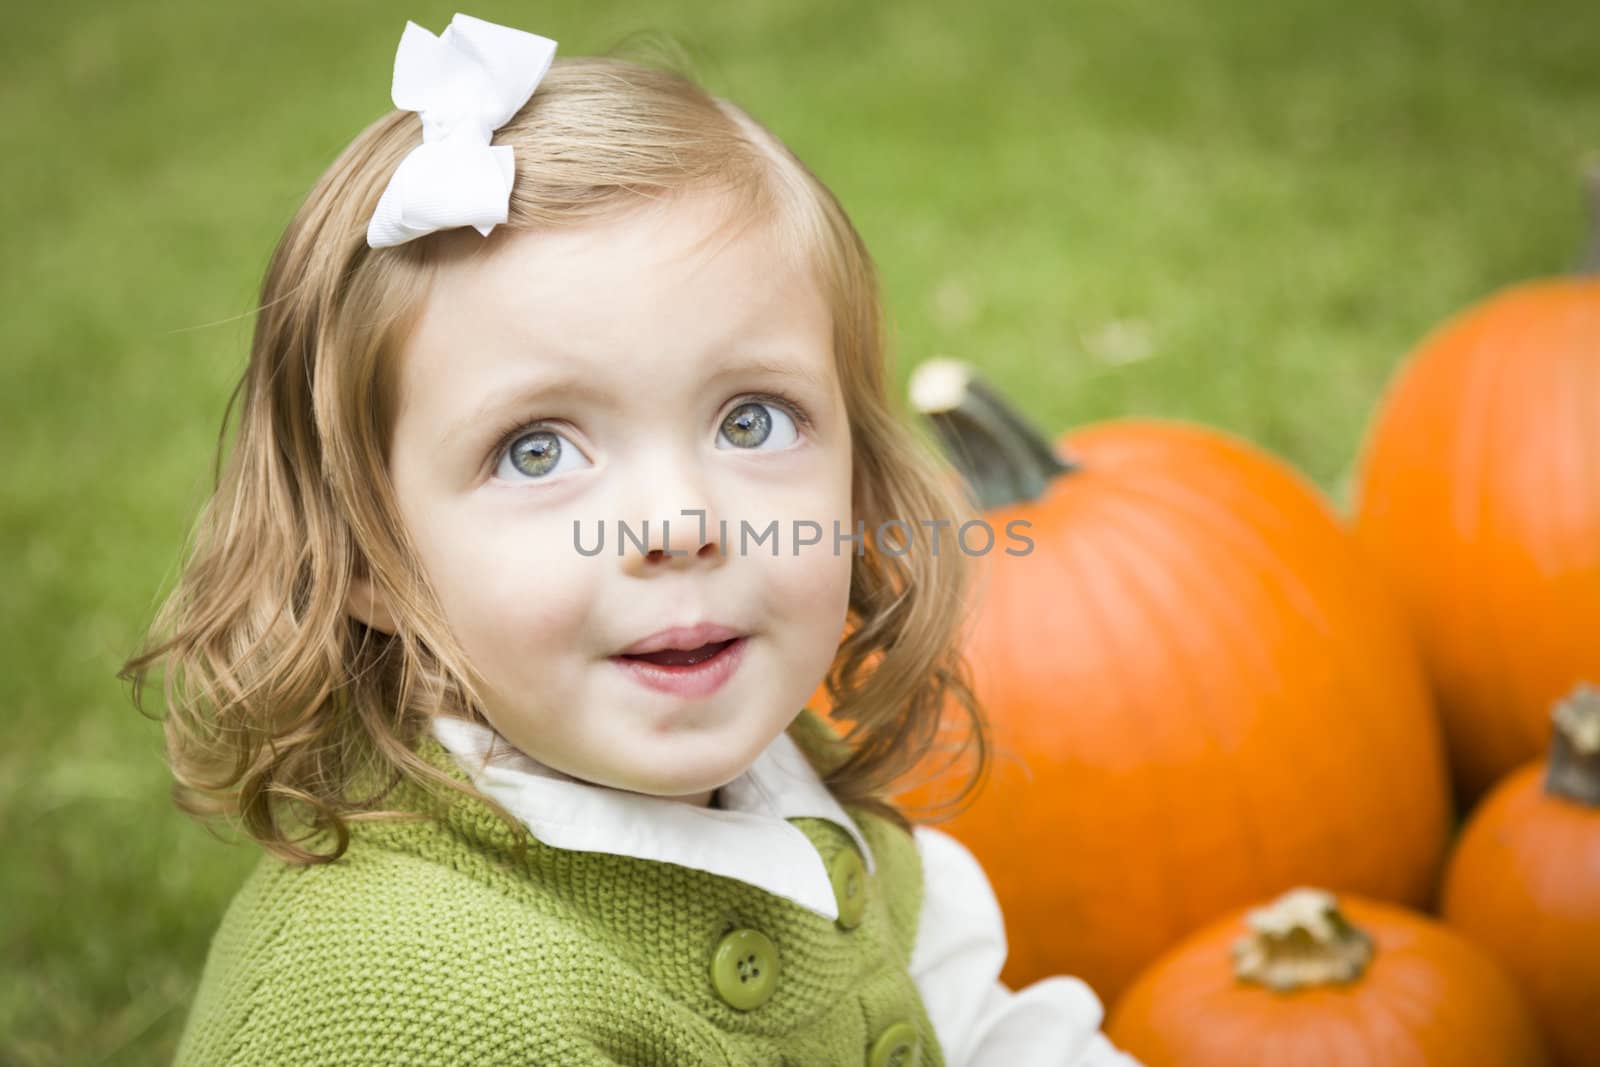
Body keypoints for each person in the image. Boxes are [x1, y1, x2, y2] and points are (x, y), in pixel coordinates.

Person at [121, 12, 1143, 1065]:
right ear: (367, 555)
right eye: (535, 451)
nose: (680, 523)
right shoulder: (395, 1007)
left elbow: (983, 1030)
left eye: (752, 419)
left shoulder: (796, 794)